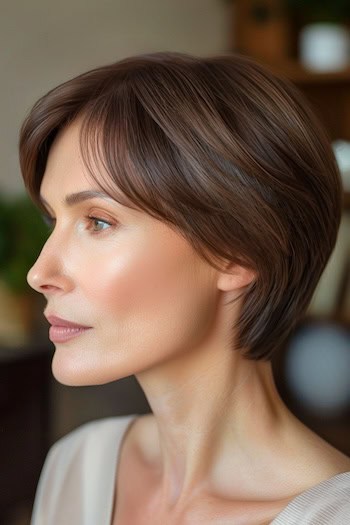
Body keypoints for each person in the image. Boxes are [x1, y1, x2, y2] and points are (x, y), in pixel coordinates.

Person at [19, 52, 350, 525]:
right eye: (55, 220)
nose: (40, 272)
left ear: (237, 251)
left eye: (97, 221)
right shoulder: (79, 464)